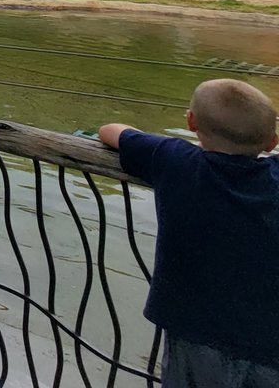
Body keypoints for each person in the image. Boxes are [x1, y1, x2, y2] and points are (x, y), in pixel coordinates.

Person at [98, 79, 279, 387]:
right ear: (272, 142)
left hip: (194, 333)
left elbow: (111, 131)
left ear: (191, 122)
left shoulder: (174, 159)